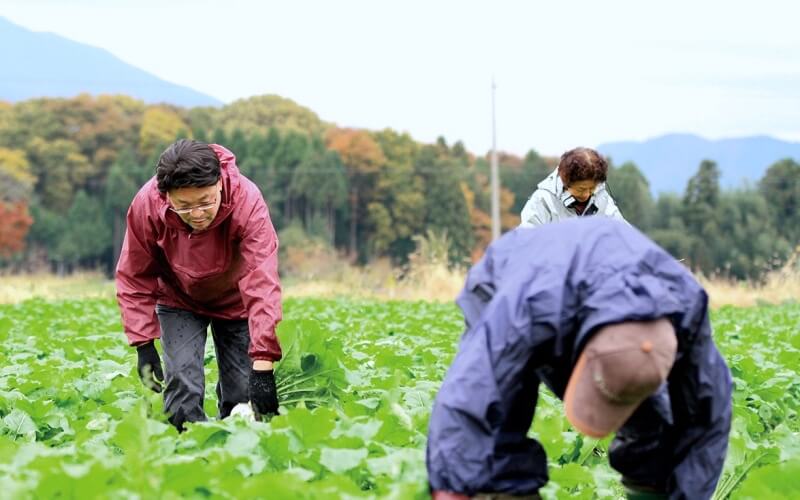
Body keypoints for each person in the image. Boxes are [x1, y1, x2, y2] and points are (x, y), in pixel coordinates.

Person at [427, 218, 732, 499]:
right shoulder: (529, 304)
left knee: (659, 432)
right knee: (500, 425)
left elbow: (708, 418)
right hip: (513, 283)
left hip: (591, 300)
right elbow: (469, 394)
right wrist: (449, 487)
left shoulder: (685, 310)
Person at [115, 139, 282, 430]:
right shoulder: (147, 205)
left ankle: (236, 456)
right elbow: (134, 274)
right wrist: (143, 343)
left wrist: (264, 363)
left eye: (205, 201)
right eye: (183, 206)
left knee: (243, 395)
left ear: (219, 184)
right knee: (181, 383)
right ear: (166, 196)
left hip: (236, 301)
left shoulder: (247, 201)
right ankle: (184, 454)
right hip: (178, 299)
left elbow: (262, 280)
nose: (197, 214)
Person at [519, 147, 625, 227]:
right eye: (581, 189)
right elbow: (528, 241)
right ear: (566, 182)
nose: (587, 194)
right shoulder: (543, 200)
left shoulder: (602, 198)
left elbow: (623, 234)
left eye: (592, 188)